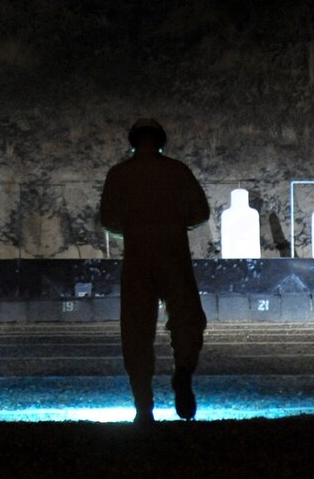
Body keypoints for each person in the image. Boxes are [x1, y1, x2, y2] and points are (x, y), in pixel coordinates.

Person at [100, 118, 210, 424]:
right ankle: (183, 369)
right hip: (174, 253)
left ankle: (143, 406)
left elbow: (108, 219)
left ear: (132, 141)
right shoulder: (177, 171)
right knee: (186, 318)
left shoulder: (119, 174)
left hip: (137, 256)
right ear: (161, 140)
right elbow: (200, 212)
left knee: (136, 330)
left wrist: (133, 228)